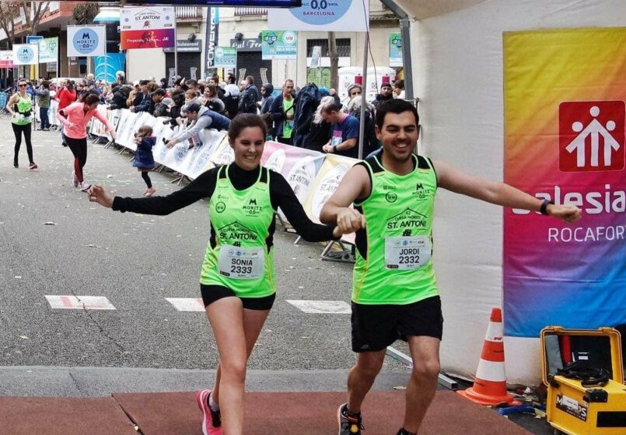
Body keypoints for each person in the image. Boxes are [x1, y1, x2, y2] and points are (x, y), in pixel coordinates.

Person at [319, 99, 582, 435]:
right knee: (369, 368)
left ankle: (409, 431)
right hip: (375, 290)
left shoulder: (431, 171)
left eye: (409, 129)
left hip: (420, 289)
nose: (402, 136)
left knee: (428, 367)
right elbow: (329, 208)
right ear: (379, 133)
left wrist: (545, 207)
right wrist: (343, 212)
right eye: (393, 129)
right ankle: (352, 410)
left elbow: (489, 190)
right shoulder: (365, 173)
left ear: (418, 132)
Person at [86, 113, 352, 435]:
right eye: (245, 143)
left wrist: (341, 228)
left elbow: (308, 230)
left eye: (258, 143)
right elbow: (168, 204)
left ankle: (212, 403)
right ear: (231, 142)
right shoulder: (216, 178)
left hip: (259, 286)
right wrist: (115, 202)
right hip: (218, 280)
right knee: (236, 366)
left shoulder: (273, 183)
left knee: (234, 362)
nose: (252, 150)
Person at [57, 93, 117, 191]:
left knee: (83, 159)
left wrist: (111, 130)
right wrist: (68, 123)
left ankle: (76, 174)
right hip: (70, 135)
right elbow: (59, 114)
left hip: (81, 135)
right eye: (95, 105)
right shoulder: (76, 106)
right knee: (78, 156)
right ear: (88, 104)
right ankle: (82, 183)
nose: (96, 107)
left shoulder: (93, 111)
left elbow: (104, 120)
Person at [165, 102, 230, 148]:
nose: (187, 118)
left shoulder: (204, 118)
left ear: (194, 112)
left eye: (188, 115)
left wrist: (175, 142)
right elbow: (187, 130)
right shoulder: (198, 115)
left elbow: (191, 132)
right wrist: (172, 139)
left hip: (230, 131)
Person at [6, 79, 37, 169]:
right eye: (21, 85)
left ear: (27, 86)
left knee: (28, 141)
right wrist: (12, 113)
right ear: (18, 87)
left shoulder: (29, 95)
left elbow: (29, 105)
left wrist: (32, 109)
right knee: (18, 141)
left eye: (24, 85)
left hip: (27, 121)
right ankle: (15, 159)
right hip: (17, 122)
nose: (23, 87)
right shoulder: (16, 96)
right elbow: (8, 105)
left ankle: (31, 162)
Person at [133, 125, 157, 197]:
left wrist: (141, 141)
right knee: (144, 174)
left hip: (145, 159)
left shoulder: (148, 139)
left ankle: (150, 188)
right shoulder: (144, 138)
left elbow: (148, 146)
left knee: (144, 175)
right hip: (143, 159)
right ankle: (149, 188)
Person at [270, 79, 296, 144]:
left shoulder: (295, 100)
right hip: (282, 135)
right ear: (283, 87)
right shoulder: (278, 100)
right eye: (288, 87)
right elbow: (271, 115)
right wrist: (284, 115)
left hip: (294, 134)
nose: (289, 89)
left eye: (291, 87)